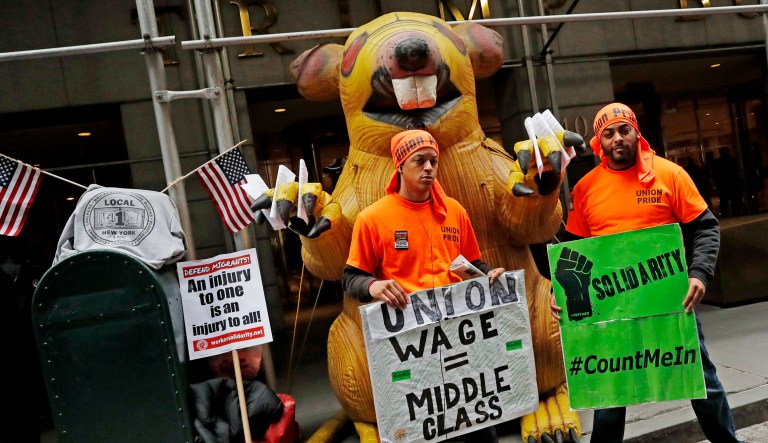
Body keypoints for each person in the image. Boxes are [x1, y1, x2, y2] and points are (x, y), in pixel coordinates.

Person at [551, 102, 743, 443]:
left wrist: (699, 274)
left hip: (670, 303)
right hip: (614, 310)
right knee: (611, 394)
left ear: (636, 133)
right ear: (599, 143)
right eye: (608, 134)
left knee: (702, 383)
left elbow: (705, 227)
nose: (617, 139)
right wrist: (558, 289)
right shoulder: (585, 189)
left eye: (624, 130)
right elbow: (571, 249)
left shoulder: (670, 174)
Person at [343, 129, 505, 442]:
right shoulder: (372, 218)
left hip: (460, 341)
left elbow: (473, 263)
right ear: (400, 166)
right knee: (424, 430)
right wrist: (374, 287)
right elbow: (351, 278)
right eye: (420, 160)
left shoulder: (454, 211)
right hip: (411, 348)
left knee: (478, 428)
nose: (429, 167)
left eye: (433, 160)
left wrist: (489, 276)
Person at [712, 146, 743, 217]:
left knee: (724, 200)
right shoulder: (732, 161)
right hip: (732, 183)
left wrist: (717, 183)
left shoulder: (718, 163)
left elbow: (715, 174)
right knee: (733, 199)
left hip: (723, 184)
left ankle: (725, 213)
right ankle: (736, 212)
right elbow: (736, 173)